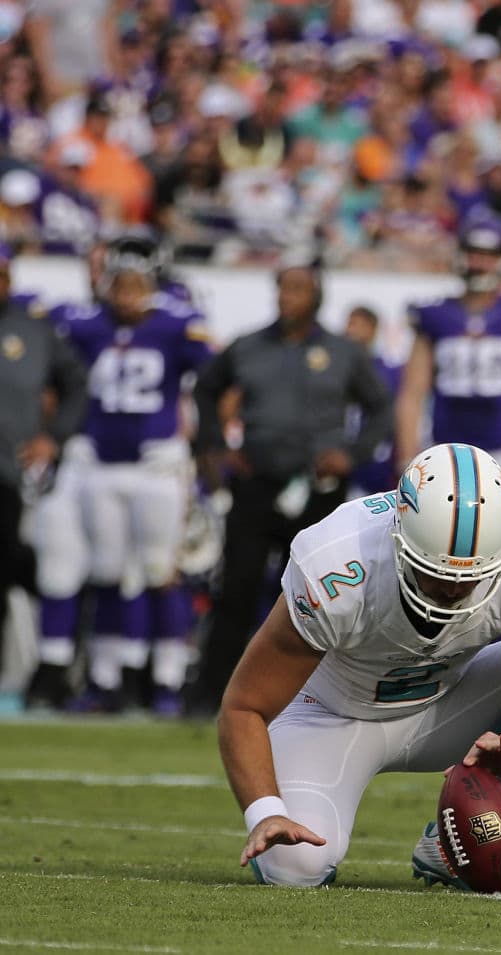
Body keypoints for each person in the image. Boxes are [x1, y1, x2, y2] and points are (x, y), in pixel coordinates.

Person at [218, 443, 501, 887]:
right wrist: (266, 811)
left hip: (447, 706)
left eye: (471, 575)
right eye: (439, 572)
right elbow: (243, 707)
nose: (454, 589)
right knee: (296, 865)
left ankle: (451, 839)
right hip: (329, 718)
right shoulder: (337, 565)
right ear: (400, 539)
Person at [192, 257, 393, 713]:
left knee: (318, 596)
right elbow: (205, 389)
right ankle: (213, 693)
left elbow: (381, 407)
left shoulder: (343, 352)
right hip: (257, 481)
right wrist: (216, 445)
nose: (288, 297)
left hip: (317, 488)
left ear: (317, 297)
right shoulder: (248, 346)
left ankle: (312, 698)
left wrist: (352, 454)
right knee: (237, 587)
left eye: (298, 288)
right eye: (283, 287)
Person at [49, 235, 212, 714]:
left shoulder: (177, 324)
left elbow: (219, 377)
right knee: (108, 573)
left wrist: (207, 450)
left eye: (135, 284)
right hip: (101, 463)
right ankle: (107, 679)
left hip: (157, 462)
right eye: (119, 284)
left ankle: (164, 680)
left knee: (161, 571)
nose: (126, 295)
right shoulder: (84, 326)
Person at [395, 217, 501, 503]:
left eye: (488, 256)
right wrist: (406, 458)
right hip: (444, 450)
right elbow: (411, 394)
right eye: (474, 253)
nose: (479, 263)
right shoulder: (434, 315)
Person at [0, 247, 86, 704]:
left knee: (16, 567)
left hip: (9, 475)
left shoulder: (33, 330)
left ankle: (37, 670)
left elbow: (76, 384)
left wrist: (53, 436)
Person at [344, 304, 402, 496]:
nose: (350, 331)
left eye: (357, 325)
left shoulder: (390, 372)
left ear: (373, 329)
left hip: (379, 460)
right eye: (349, 324)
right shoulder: (338, 371)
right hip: (342, 461)